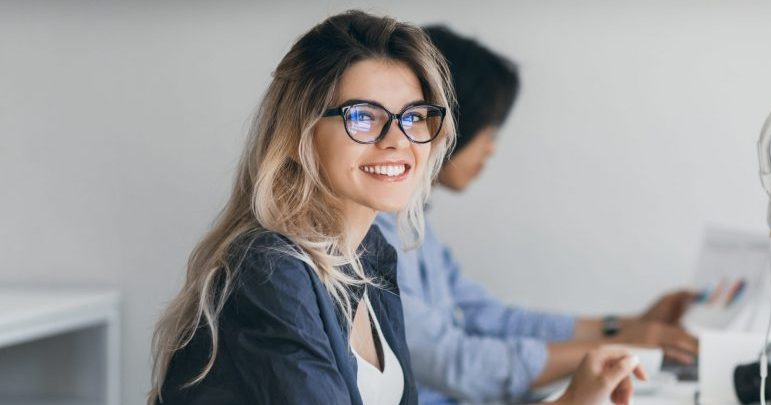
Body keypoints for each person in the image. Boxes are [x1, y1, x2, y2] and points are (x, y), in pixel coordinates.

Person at [148, 11, 648, 405]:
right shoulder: (271, 268)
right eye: (363, 117)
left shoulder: (369, 253)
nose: (397, 141)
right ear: (299, 132)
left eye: (414, 117)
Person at [374, 26, 699, 404]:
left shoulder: (416, 226)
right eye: (490, 129)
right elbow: (457, 363)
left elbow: (493, 319)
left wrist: (627, 326)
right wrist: (623, 342)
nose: (492, 149)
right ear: (451, 122)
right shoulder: (373, 236)